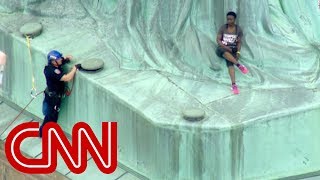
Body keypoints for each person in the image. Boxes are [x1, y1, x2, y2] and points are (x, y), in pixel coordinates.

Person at [39, 50, 81, 137]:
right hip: (52, 99)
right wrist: (74, 69)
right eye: (58, 59)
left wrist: (65, 59)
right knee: (50, 117)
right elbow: (67, 78)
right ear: (54, 61)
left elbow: (62, 61)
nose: (60, 60)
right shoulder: (51, 71)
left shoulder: (54, 65)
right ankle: (44, 134)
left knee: (53, 116)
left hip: (55, 96)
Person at [216, 11, 248, 94]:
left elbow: (239, 42)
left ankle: (234, 85)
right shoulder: (223, 27)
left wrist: (238, 53)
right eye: (227, 19)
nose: (229, 21)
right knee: (223, 51)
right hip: (222, 48)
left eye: (231, 19)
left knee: (230, 64)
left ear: (235, 19)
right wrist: (226, 47)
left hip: (232, 50)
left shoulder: (238, 29)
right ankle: (239, 65)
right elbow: (218, 40)